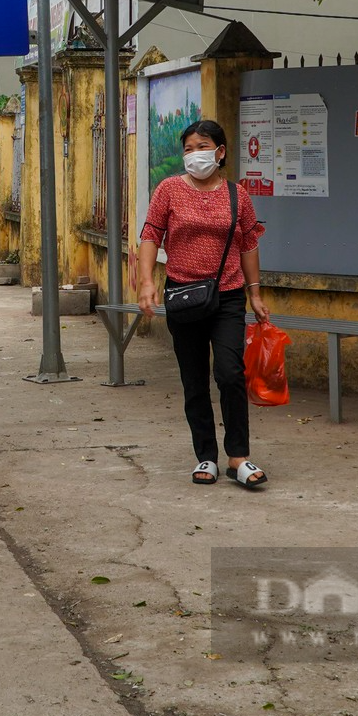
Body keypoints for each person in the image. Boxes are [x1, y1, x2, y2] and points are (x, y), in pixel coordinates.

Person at [134, 119, 270, 489]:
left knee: (230, 372)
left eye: (202, 146)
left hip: (227, 295)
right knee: (194, 379)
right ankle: (205, 456)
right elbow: (150, 235)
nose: (194, 154)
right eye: (189, 148)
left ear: (220, 151)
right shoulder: (169, 190)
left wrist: (255, 293)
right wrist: (146, 282)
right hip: (183, 296)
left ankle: (238, 456)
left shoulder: (236, 195)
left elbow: (248, 244)